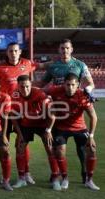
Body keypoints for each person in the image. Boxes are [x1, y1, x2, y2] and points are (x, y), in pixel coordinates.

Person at [39, 39, 95, 183]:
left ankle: (84, 172)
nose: (65, 51)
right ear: (59, 50)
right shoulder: (53, 66)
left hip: (75, 108)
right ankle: (58, 174)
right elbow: (42, 84)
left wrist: (87, 91)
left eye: (67, 48)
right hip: (57, 112)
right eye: (62, 48)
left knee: (82, 148)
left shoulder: (80, 65)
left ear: (72, 49)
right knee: (57, 148)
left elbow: (90, 83)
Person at [0, 42, 36, 184]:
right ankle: (5, 174)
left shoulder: (27, 64)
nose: (13, 53)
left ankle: (26, 172)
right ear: (7, 52)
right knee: (3, 143)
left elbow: (41, 66)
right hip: (4, 111)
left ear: (20, 52)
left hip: (21, 111)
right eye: (10, 51)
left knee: (23, 142)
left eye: (16, 51)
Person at [47, 73, 99, 191]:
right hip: (61, 128)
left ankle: (89, 180)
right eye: (68, 84)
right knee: (59, 151)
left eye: (73, 85)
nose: (70, 87)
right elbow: (41, 91)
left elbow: (93, 117)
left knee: (91, 149)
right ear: (63, 84)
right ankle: (65, 178)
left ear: (78, 85)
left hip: (80, 128)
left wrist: (91, 136)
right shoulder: (55, 91)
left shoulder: (83, 95)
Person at [10, 75, 59, 190]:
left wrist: (48, 130)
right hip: (26, 124)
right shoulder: (15, 95)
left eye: (27, 86)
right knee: (19, 147)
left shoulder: (40, 94)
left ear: (31, 85)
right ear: (18, 86)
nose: (25, 89)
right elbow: (13, 117)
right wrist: (20, 135)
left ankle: (56, 179)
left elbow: (52, 115)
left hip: (42, 125)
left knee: (50, 148)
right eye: (22, 87)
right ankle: (22, 179)